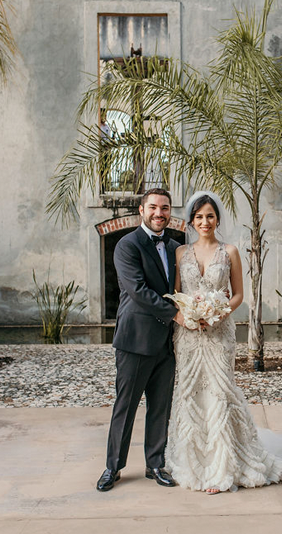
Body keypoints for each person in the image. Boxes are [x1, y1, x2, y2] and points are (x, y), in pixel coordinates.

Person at [165, 191, 282, 495]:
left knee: (220, 391)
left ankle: (223, 466)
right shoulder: (181, 253)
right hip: (188, 335)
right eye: (199, 217)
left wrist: (217, 313)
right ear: (192, 221)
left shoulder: (230, 251)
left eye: (210, 216)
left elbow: (238, 295)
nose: (205, 221)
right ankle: (193, 461)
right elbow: (174, 293)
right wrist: (187, 316)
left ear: (217, 218)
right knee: (190, 392)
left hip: (219, 333)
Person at [96, 188, 186, 492]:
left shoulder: (176, 247)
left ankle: (155, 464)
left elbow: (181, 287)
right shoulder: (127, 245)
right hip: (135, 340)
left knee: (160, 407)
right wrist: (175, 314)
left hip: (168, 343)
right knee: (126, 405)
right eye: (153, 207)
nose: (159, 213)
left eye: (164, 208)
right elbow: (137, 290)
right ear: (141, 210)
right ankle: (113, 467)